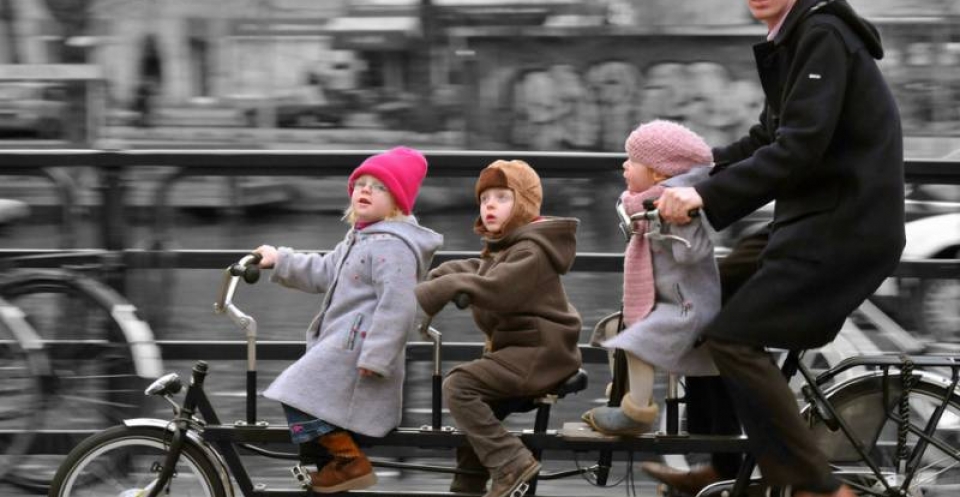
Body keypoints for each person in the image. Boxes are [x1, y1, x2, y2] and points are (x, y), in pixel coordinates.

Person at [654, 1, 905, 496]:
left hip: (845, 229)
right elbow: (766, 138)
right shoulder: (793, 40)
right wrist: (688, 173)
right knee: (705, 300)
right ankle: (725, 464)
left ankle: (817, 486)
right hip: (812, 221)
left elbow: (800, 147)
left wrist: (704, 196)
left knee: (733, 338)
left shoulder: (823, 35)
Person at [254, 147, 443, 494]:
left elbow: (398, 306)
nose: (366, 190)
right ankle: (338, 472)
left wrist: (378, 356)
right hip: (342, 348)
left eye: (380, 187)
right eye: (361, 184)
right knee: (303, 400)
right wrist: (280, 260)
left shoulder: (394, 246)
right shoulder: (361, 237)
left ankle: (349, 462)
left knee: (296, 390)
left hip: (359, 354)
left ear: (398, 203)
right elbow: (325, 270)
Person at [415, 160, 582, 497]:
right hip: (526, 351)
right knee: (480, 412)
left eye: (502, 197)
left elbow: (498, 289)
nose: (489, 205)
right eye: (484, 198)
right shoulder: (511, 246)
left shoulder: (531, 250)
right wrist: (447, 273)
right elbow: (484, 268)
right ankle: (468, 484)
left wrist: (446, 288)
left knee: (460, 386)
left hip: (540, 353)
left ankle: (511, 463)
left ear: (524, 203)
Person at [581, 120, 722, 438]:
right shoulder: (642, 206)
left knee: (637, 340)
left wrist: (675, 225)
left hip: (688, 305)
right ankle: (624, 390)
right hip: (667, 300)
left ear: (658, 174)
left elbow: (692, 254)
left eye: (632, 160)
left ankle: (637, 411)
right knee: (614, 328)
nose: (624, 165)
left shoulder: (676, 209)